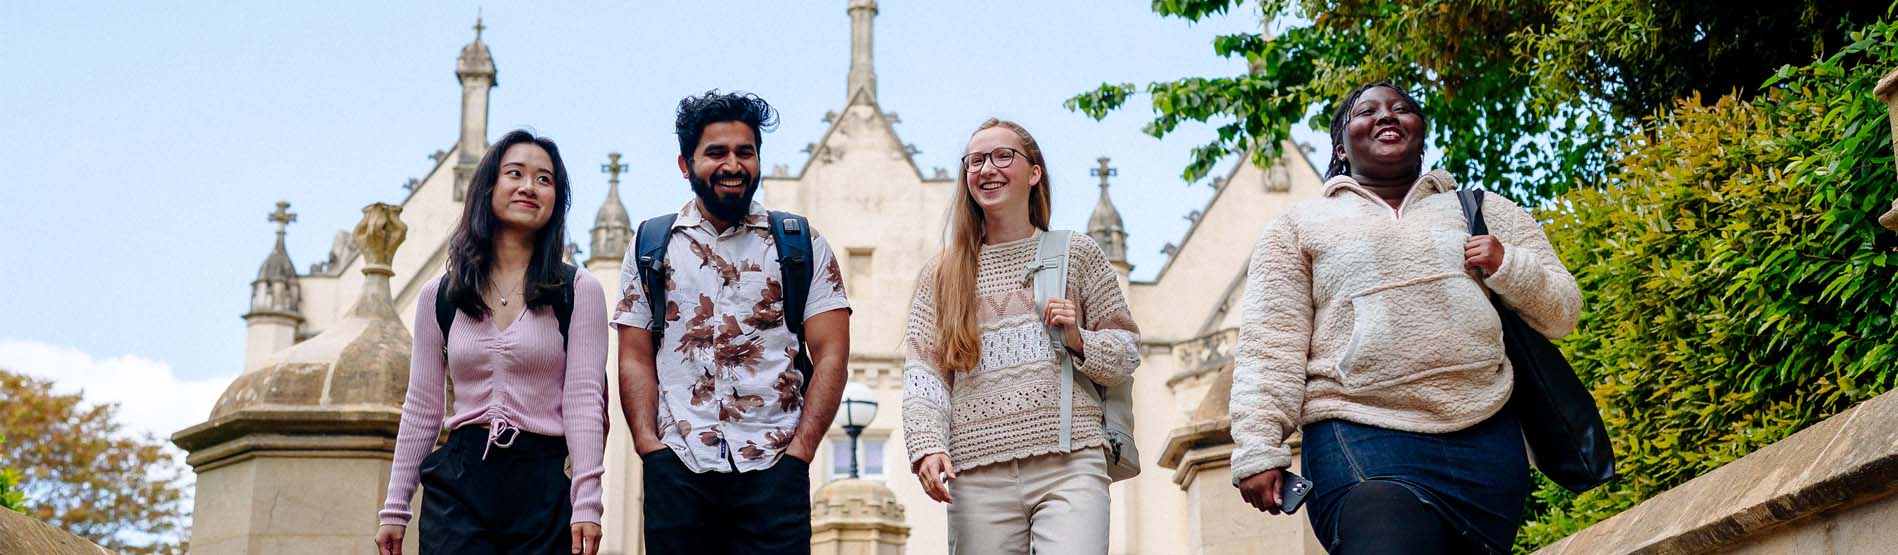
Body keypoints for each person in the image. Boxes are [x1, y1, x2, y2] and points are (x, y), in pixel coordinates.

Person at [1227, 82, 1583, 554]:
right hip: (1358, 430)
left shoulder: (1483, 210)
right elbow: (1269, 343)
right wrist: (1258, 445)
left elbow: (1563, 311)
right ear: (1341, 145)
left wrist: (1507, 265)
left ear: (1419, 130)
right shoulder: (1298, 226)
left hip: (1484, 436)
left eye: (1402, 109)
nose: (1386, 116)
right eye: (1367, 111)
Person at [611, 90, 851, 555]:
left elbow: (832, 355)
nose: (733, 165)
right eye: (716, 153)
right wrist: (648, 446)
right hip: (679, 468)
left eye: (746, 152)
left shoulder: (800, 244)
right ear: (686, 164)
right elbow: (634, 356)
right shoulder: (651, 245)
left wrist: (800, 451)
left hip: (775, 468)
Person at [902, 118, 1141, 555]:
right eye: (975, 160)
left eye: (1002, 156)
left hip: (1070, 464)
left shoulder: (1077, 253)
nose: (987, 168)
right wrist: (927, 446)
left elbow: (1127, 352)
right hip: (975, 474)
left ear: (1034, 173)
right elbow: (924, 374)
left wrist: (1079, 339)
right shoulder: (941, 274)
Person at [375, 129, 609, 555]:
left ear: (557, 199)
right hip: (460, 481)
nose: (528, 187)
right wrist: (395, 509)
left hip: (542, 481)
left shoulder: (579, 290)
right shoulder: (440, 296)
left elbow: (585, 398)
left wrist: (587, 502)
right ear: (489, 187)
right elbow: (422, 407)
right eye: (515, 173)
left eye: (544, 179)